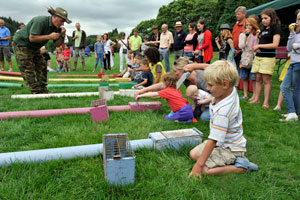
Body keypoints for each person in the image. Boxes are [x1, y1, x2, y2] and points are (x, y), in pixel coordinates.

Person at [189, 60, 258, 179]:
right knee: (193, 154)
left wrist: (198, 166)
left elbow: (213, 140)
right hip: (222, 143)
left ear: (225, 84)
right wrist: (196, 66)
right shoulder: (229, 90)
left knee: (205, 170)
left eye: (210, 85)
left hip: (230, 149)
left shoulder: (223, 112)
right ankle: (234, 162)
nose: (207, 88)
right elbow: (218, 70)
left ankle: (241, 167)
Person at [13, 7, 71, 94]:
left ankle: (43, 90)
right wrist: (49, 37)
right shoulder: (40, 21)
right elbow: (32, 38)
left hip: (34, 47)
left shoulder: (56, 27)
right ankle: (35, 91)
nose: (62, 23)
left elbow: (57, 44)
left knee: (42, 66)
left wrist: (62, 35)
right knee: (27, 68)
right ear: (55, 16)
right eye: (62, 21)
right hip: (21, 44)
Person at [135, 57, 210, 121]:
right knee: (193, 113)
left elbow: (217, 67)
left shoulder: (203, 78)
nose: (174, 74)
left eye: (175, 71)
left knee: (204, 118)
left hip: (213, 102)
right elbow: (163, 85)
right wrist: (142, 91)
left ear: (184, 70)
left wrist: (195, 66)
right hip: (201, 103)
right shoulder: (184, 78)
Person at [250, 8, 281, 109]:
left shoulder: (276, 28)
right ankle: (257, 99)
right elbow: (261, 43)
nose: (263, 20)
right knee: (258, 78)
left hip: (268, 58)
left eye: (265, 18)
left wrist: (260, 47)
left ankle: (266, 102)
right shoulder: (262, 29)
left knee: (266, 80)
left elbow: (275, 44)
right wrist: (257, 47)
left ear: (272, 18)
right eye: (262, 18)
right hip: (259, 57)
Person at [280, 12, 300, 121]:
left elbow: (294, 47)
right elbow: (288, 48)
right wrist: (291, 33)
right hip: (293, 63)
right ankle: (292, 112)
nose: (297, 22)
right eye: (297, 19)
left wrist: (296, 46)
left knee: (295, 89)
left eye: (299, 20)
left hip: (298, 63)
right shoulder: (296, 33)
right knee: (284, 87)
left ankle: (293, 113)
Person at [238, 17, 259, 100]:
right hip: (244, 58)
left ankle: (254, 95)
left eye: (250, 25)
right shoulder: (242, 35)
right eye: (247, 25)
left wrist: (257, 36)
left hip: (253, 58)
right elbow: (241, 46)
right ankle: (245, 94)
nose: (248, 27)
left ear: (253, 26)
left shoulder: (255, 35)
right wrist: (246, 38)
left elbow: (257, 46)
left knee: (253, 78)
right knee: (244, 77)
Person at [232, 6, 247, 75]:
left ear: (244, 14)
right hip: (235, 51)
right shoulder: (235, 25)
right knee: (235, 69)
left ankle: (240, 85)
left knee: (242, 70)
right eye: (236, 14)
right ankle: (237, 84)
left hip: (243, 52)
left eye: (238, 14)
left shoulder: (247, 24)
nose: (236, 16)